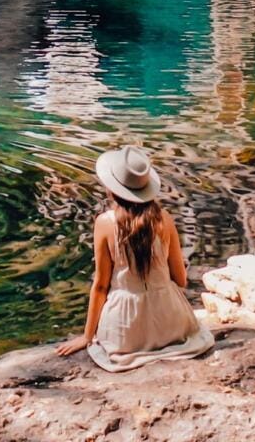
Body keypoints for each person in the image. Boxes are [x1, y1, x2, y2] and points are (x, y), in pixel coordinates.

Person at [55, 145, 215, 371]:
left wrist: (87, 336)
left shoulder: (105, 223)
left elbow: (100, 286)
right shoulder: (165, 219)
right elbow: (181, 279)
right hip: (174, 324)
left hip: (125, 332)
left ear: (112, 189)